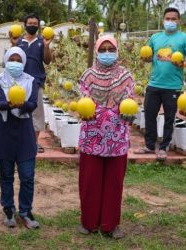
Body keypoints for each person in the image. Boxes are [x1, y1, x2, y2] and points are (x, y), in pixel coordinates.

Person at [78, 36, 135, 239]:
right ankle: (89, 222)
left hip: (117, 138)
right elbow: (82, 101)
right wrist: (82, 110)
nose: (108, 53)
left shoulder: (126, 76)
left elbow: (131, 101)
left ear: (117, 51)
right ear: (96, 51)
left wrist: (131, 112)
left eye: (111, 49)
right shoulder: (88, 76)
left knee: (114, 183)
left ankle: (110, 224)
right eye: (103, 49)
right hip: (92, 136)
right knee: (89, 180)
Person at [0, 46, 39, 229]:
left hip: (25, 134)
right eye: (12, 59)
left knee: (27, 176)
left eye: (19, 60)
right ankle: (8, 208)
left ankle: (25, 210)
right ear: (6, 60)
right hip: (4, 134)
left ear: (24, 62)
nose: (15, 63)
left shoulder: (31, 81)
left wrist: (20, 104)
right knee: (6, 175)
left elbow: (32, 103)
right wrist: (11, 104)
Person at [135, 7, 186, 160]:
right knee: (149, 115)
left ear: (179, 21)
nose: (170, 21)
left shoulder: (183, 38)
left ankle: (163, 148)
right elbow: (148, 56)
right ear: (163, 20)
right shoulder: (155, 38)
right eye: (167, 19)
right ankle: (150, 146)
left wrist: (182, 63)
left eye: (173, 19)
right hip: (154, 83)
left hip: (173, 86)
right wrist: (146, 59)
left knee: (169, 118)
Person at [10, 13, 52, 153]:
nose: (32, 26)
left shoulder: (41, 41)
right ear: (25, 25)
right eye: (30, 23)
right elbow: (11, 60)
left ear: (39, 26)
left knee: (36, 114)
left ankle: (33, 143)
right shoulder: (19, 41)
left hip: (36, 81)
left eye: (35, 24)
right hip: (19, 82)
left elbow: (47, 61)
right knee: (17, 110)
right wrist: (13, 45)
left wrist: (46, 47)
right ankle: (19, 141)